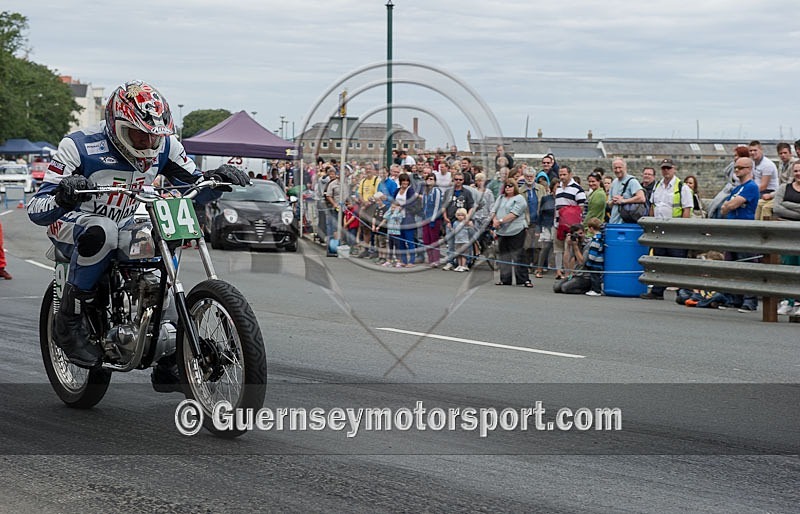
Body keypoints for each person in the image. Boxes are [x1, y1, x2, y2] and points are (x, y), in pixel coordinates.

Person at [26, 80, 249, 375]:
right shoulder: (78, 146)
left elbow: (197, 184)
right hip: (72, 222)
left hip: (126, 220)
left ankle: (170, 342)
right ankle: (69, 319)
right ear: (117, 126)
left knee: (158, 233)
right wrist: (64, 194)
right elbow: (36, 207)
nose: (147, 144)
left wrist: (217, 179)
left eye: (153, 138)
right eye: (138, 136)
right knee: (102, 230)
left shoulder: (165, 144)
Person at [640, 159, 692, 300]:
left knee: (678, 262)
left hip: (675, 231)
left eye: (668, 168)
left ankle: (683, 291)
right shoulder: (658, 186)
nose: (666, 171)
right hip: (659, 230)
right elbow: (653, 206)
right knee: (660, 261)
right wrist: (651, 226)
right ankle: (657, 291)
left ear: (674, 169)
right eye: (664, 168)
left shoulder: (682, 187)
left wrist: (682, 228)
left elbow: (686, 209)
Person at [720, 156, 760, 312]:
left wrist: (732, 204)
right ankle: (734, 298)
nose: (737, 171)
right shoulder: (736, 188)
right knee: (732, 265)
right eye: (736, 168)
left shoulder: (751, 187)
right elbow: (724, 208)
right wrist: (731, 204)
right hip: (731, 230)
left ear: (749, 169)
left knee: (747, 264)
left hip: (745, 231)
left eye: (740, 168)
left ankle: (750, 300)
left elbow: (732, 204)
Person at [491, 180, 532, 287]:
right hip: (502, 231)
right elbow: (493, 210)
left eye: (510, 186)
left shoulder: (519, 199)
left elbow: (514, 214)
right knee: (504, 255)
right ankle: (505, 279)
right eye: (506, 186)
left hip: (516, 230)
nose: (508, 188)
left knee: (518, 255)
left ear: (514, 187)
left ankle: (523, 279)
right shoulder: (500, 198)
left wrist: (500, 221)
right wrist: (494, 220)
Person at [772, 160, 800, 316]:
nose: (798, 174)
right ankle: (788, 300)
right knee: (788, 265)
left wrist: (788, 204)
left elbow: (783, 206)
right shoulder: (784, 188)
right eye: (795, 171)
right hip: (787, 232)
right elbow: (776, 207)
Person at [441, 172, 475, 270]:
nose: (458, 181)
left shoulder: (467, 192)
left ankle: (466, 263)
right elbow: (444, 206)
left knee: (464, 243)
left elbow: (471, 206)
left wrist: (467, 218)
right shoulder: (448, 192)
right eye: (456, 179)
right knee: (450, 243)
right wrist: (445, 218)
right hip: (450, 221)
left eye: (460, 180)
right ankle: (450, 262)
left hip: (462, 221)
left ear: (463, 181)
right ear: (453, 180)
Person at [607, 158, 645, 224]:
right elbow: (609, 204)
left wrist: (624, 201)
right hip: (613, 222)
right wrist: (613, 201)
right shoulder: (614, 182)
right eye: (615, 168)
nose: (618, 170)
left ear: (625, 168)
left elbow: (641, 198)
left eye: (620, 167)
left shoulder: (632, 181)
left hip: (627, 223)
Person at [420, 172, 444, 267]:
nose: (429, 181)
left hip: (434, 219)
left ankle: (436, 260)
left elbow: (437, 206)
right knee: (426, 240)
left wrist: (433, 219)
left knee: (434, 240)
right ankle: (430, 259)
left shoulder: (436, 191)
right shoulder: (425, 191)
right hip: (425, 219)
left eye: (431, 179)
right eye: (428, 179)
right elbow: (423, 206)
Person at [451, 208, 474, 272]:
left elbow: (471, 232)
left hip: (465, 241)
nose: (460, 216)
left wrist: (471, 226)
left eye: (462, 215)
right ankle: (459, 265)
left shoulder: (466, 223)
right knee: (458, 254)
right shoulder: (455, 223)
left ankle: (463, 266)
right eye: (458, 215)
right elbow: (454, 231)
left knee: (464, 254)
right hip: (457, 241)